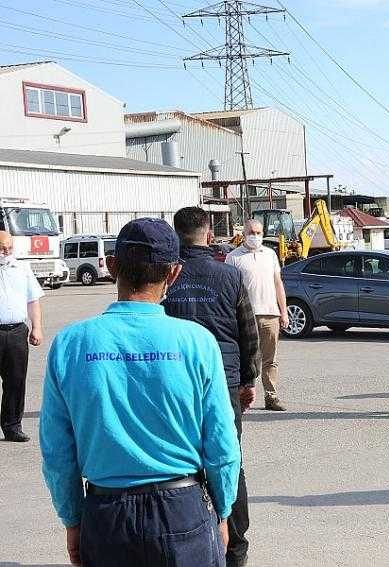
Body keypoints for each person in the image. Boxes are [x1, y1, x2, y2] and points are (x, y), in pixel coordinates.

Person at [40, 218, 240, 567]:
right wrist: (223, 512)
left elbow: (57, 452)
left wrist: (73, 520)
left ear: (112, 265)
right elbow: (222, 444)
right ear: (174, 274)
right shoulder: (197, 343)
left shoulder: (70, 345)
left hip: (106, 517)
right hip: (183, 512)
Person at [163, 207, 261, 567]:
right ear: (208, 234)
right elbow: (248, 333)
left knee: (180, 463)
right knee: (229, 460)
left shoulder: (166, 277)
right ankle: (236, 549)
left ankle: (186, 542)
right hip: (224, 382)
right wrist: (248, 380)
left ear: (177, 236)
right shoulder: (230, 276)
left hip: (177, 384)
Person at [226, 220, 289, 411]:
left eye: (259, 232)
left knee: (270, 359)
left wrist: (283, 312)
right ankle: (243, 396)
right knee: (247, 359)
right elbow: (230, 289)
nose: (255, 236)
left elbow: (278, 283)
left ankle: (271, 396)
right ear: (243, 233)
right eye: (251, 232)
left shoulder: (270, 254)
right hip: (245, 315)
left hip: (270, 314)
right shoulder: (234, 257)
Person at [0, 230, 43, 442]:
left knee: (16, 381)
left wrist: (37, 327)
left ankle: (12, 426)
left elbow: (32, 300)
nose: (5, 253)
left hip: (16, 331)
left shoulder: (22, 269)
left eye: (8, 249)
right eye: (1, 249)